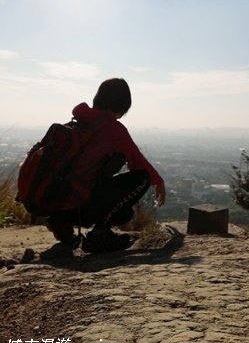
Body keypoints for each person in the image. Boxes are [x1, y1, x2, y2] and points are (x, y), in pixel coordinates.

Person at [45, 78, 165, 254]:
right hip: (80, 203)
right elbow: (137, 162)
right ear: (121, 106)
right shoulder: (113, 128)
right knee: (142, 179)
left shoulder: (78, 122)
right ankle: (99, 235)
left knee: (125, 214)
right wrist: (158, 181)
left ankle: (63, 220)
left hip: (56, 201)